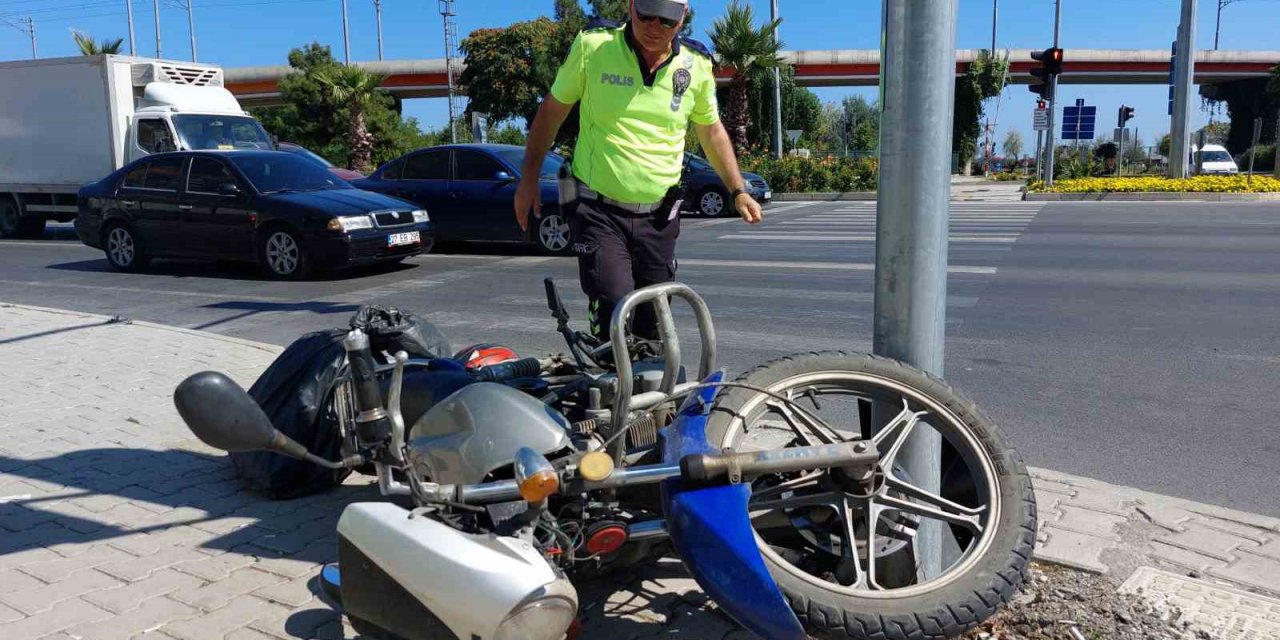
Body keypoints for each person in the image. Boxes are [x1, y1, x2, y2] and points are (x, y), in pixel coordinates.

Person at [513, 0, 762, 341]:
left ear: (682, 18)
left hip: (659, 216)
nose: (653, 27)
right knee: (615, 306)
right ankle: (607, 381)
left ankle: (651, 388)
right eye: (645, 14)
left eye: (666, 20)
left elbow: (711, 130)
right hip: (598, 209)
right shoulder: (594, 46)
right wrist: (527, 181)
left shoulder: (696, 64)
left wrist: (738, 190)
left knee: (654, 323)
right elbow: (552, 112)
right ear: (631, 7)